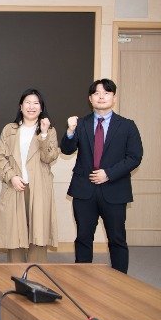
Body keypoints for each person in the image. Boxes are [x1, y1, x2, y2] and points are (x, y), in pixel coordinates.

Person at [61, 79, 143, 274]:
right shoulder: (81, 123)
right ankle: (83, 280)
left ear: (114, 98)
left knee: (117, 239)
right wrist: (70, 131)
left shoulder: (127, 126)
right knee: (83, 238)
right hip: (84, 190)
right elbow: (66, 149)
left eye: (106, 93)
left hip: (115, 190)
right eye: (96, 93)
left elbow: (135, 157)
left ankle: (120, 281)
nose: (101, 97)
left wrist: (109, 174)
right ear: (90, 99)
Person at [0, 89, 59, 262]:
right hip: (15, 186)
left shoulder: (49, 131)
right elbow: (0, 157)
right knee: (14, 231)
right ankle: (16, 271)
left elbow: (49, 157)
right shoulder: (10, 129)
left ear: (41, 107)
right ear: (21, 106)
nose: (31, 106)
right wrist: (12, 177)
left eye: (36, 103)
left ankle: (36, 272)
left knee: (38, 231)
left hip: (39, 187)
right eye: (28, 102)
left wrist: (43, 134)